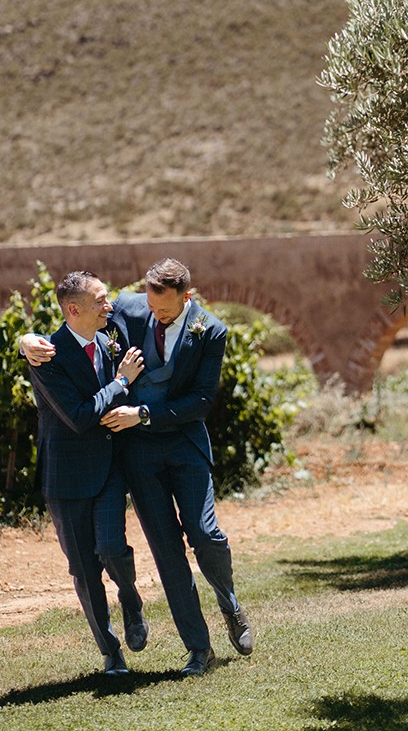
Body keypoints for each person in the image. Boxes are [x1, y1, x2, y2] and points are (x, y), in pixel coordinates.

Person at [23, 257, 254, 678]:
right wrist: (26, 339)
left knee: (204, 534)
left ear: (187, 297)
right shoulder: (129, 307)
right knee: (167, 552)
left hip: (185, 446)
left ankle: (230, 602)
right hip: (138, 457)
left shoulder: (212, 330)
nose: (155, 314)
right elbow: (76, 317)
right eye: (150, 306)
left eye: (164, 310)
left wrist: (144, 413)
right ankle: (198, 650)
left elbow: (203, 401)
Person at [27, 270, 148, 678]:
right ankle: (111, 653)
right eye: (99, 300)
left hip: (109, 468)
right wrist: (120, 382)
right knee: (84, 571)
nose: (108, 306)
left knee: (114, 549)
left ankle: (131, 600)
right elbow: (78, 417)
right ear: (74, 309)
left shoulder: (111, 336)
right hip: (65, 478)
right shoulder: (46, 355)